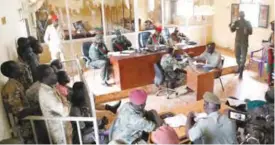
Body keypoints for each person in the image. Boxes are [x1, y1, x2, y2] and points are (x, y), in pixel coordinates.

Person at [1, 61, 34, 144]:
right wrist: (36, 109)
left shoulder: (16, 83)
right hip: (23, 122)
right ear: (12, 72)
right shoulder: (10, 87)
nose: (21, 69)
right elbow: (17, 111)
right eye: (18, 68)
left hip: (27, 119)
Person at [37, 64, 72, 144]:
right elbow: (64, 111)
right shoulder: (47, 94)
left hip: (63, 127)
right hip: (60, 131)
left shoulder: (50, 87)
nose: (55, 75)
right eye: (52, 74)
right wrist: (67, 102)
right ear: (45, 78)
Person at [229, 11, 253, 79]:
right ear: (239, 16)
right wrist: (230, 26)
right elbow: (232, 30)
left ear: (244, 15)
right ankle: (240, 67)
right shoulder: (237, 22)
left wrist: (247, 31)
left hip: (244, 43)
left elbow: (251, 32)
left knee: (243, 57)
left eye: (242, 15)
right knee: (237, 56)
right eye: (240, 15)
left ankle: (241, 72)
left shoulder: (248, 23)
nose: (241, 16)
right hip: (237, 42)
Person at [263, 21, 274, 86]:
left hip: (273, 53)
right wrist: (265, 42)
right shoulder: (271, 34)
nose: (271, 27)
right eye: (271, 26)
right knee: (269, 66)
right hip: (270, 53)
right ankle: (270, 80)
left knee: (273, 67)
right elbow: (269, 41)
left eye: (273, 26)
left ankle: (271, 81)